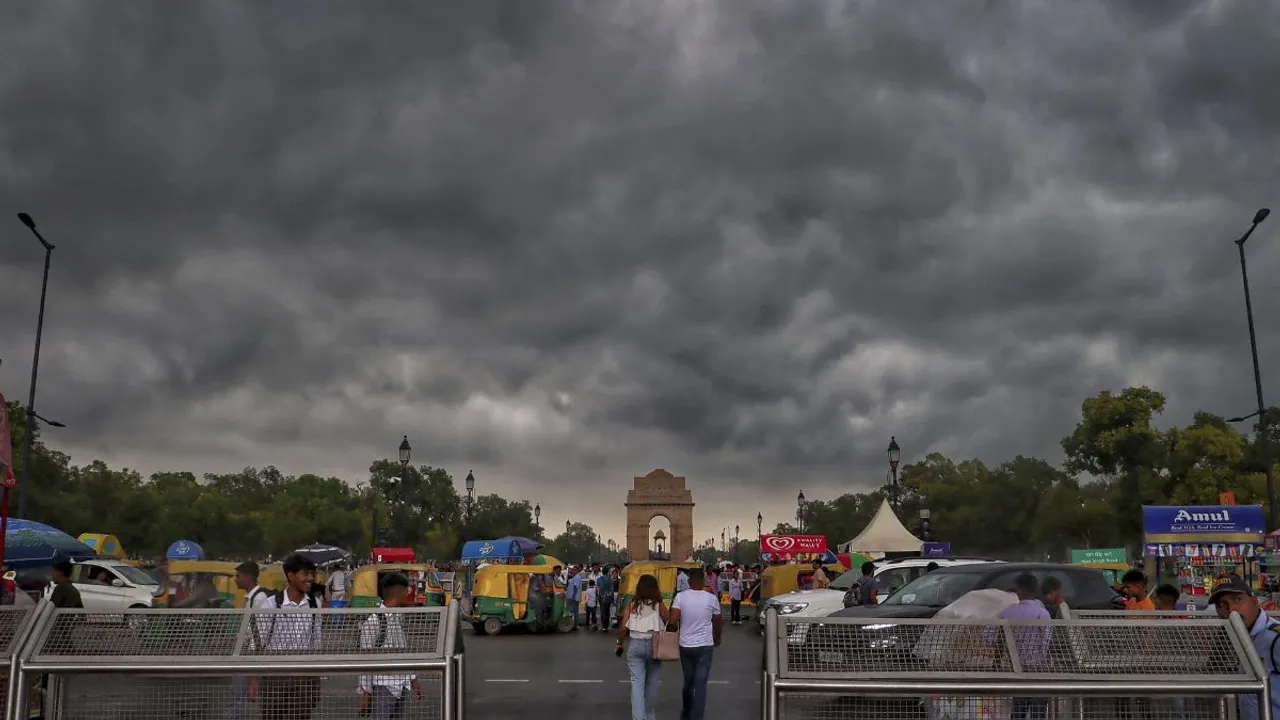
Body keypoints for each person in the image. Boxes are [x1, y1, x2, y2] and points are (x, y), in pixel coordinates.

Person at [249, 553, 322, 720]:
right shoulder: (271, 605)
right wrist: (253, 680)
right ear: (290, 575)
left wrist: (316, 683)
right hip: (275, 674)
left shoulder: (314, 604)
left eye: (312, 573)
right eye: (305, 573)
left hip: (304, 676)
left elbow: (316, 643)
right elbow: (257, 644)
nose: (310, 578)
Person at [1211, 575, 1280, 720]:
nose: (1231, 610)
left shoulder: (1275, 638)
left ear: (1255, 602)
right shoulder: (1233, 636)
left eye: (1237, 600)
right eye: (1222, 605)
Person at [359, 573, 424, 718]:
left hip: (401, 686)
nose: (408, 595)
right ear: (397, 592)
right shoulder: (374, 621)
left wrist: (413, 680)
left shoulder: (398, 618)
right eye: (406, 591)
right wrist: (366, 694)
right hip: (383, 686)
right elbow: (364, 661)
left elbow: (404, 652)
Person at [985, 573, 1050, 719]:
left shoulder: (1007, 612)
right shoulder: (1043, 614)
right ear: (1035, 590)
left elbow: (988, 635)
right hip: (1039, 671)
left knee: (1018, 711)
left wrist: (1004, 643)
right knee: (1038, 713)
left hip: (1017, 670)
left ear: (1019, 590)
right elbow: (1046, 643)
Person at [669, 568, 721, 720]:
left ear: (689, 582)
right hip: (705, 645)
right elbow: (717, 623)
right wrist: (717, 638)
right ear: (704, 581)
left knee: (688, 681)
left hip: (686, 645)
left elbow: (672, 621)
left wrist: (673, 630)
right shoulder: (711, 598)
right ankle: (697, 716)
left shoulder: (680, 597)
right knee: (701, 684)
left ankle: (686, 711)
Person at [617, 573, 668, 720]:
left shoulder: (632, 605)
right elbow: (671, 621)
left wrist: (619, 643)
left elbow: (623, 629)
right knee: (652, 684)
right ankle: (650, 715)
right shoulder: (659, 605)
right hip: (655, 645)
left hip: (636, 645)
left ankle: (638, 717)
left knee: (637, 684)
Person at [228, 562, 272, 720]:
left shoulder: (259, 599)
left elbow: (259, 635)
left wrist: (253, 672)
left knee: (238, 696)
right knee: (237, 696)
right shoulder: (252, 598)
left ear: (247, 577)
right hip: (248, 653)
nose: (235, 580)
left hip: (251, 655)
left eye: (238, 576)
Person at [597, 566, 615, 632]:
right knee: (607, 611)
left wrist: (598, 596)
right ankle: (606, 626)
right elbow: (612, 590)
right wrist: (612, 599)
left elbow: (598, 589)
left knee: (602, 611)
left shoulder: (598, 579)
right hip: (608, 597)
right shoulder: (610, 579)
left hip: (601, 597)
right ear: (607, 572)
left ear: (602, 572)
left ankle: (604, 626)